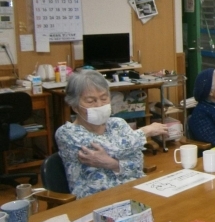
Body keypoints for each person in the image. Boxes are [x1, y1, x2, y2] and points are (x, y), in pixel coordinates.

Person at [55, 69, 168, 199]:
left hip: (133, 190)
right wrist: (145, 131)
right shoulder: (66, 133)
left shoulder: (118, 123)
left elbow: (138, 163)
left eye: (104, 98)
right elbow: (111, 148)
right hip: (95, 200)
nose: (99, 105)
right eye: (91, 101)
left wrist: (111, 163)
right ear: (75, 106)